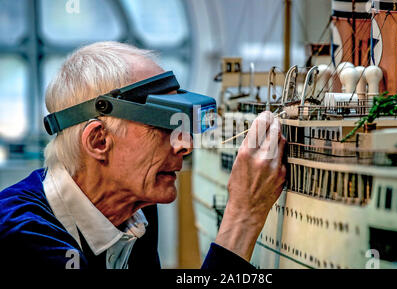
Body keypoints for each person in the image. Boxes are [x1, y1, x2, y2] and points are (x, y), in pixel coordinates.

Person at [0, 42, 286, 269]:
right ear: (99, 141)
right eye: (163, 127)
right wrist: (243, 217)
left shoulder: (136, 211)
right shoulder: (21, 238)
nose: (185, 145)